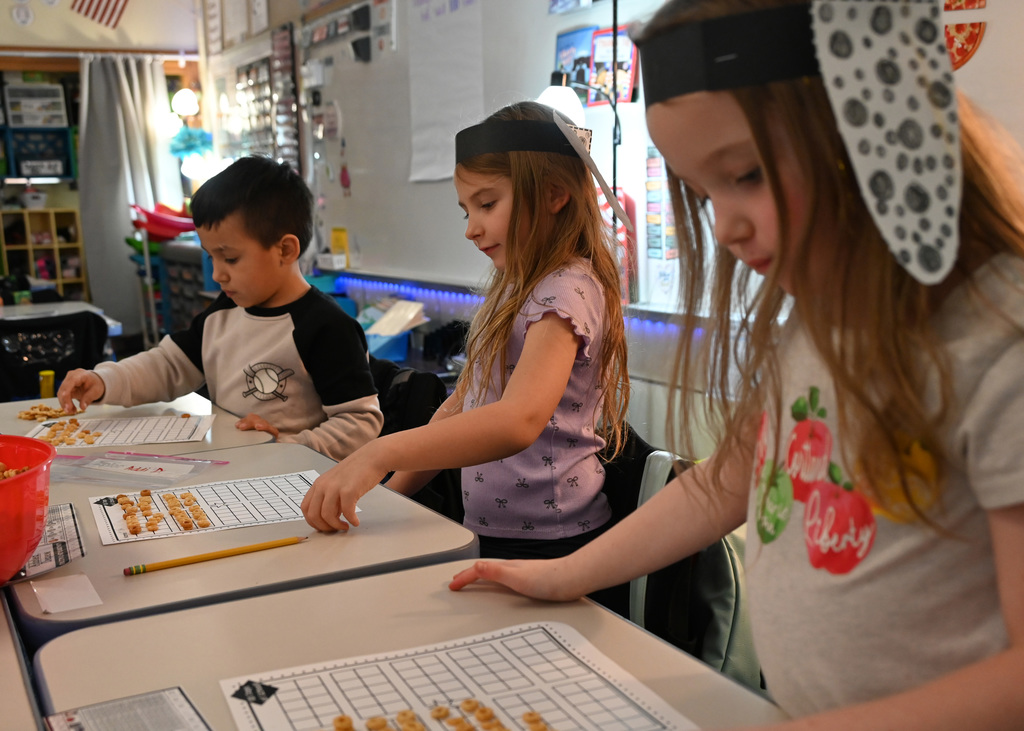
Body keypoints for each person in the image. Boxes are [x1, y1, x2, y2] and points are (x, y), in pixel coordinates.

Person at [449, 1, 1024, 728]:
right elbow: (724, 482)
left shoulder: (998, 338)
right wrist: (566, 574)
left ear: (869, 126)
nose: (724, 226)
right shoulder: (814, 326)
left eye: (746, 174)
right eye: (702, 191)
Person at [302, 101, 632, 566]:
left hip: (551, 543)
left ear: (555, 194)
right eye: (466, 211)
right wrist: (388, 498)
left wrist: (378, 453)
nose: (472, 229)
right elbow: (465, 404)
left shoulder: (567, 291)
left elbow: (518, 420)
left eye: (488, 204)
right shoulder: (515, 286)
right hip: (489, 531)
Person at [57, 156, 383, 462]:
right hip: (233, 467)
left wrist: (289, 447)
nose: (217, 274)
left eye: (230, 258)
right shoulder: (224, 311)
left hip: (297, 484)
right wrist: (105, 381)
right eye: (211, 256)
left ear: (284, 249)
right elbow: (169, 364)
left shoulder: (326, 327)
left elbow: (360, 423)